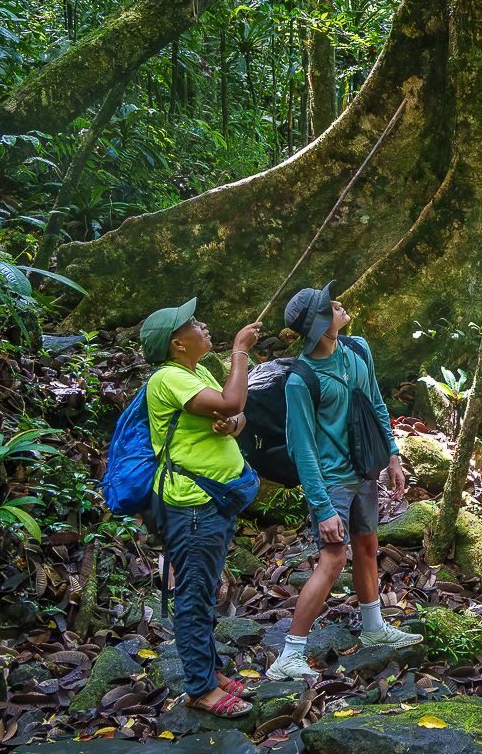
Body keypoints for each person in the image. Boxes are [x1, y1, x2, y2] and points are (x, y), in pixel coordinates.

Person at [266, 282, 421, 680]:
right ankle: (289, 655)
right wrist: (321, 508)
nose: (339, 305)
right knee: (334, 559)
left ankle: (373, 629)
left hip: (363, 471)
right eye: (330, 306)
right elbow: (301, 448)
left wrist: (393, 456)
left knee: (368, 545)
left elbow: (376, 403)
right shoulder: (301, 380)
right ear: (320, 325)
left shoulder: (357, 349)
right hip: (330, 481)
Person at [138, 298, 263, 717]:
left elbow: (235, 411)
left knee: (206, 587)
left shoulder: (196, 372)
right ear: (177, 344)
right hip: (192, 506)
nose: (203, 325)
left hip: (214, 501)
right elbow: (230, 401)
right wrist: (240, 351)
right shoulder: (168, 379)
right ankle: (199, 687)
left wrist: (232, 424)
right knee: (194, 593)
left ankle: (207, 670)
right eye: (193, 324)